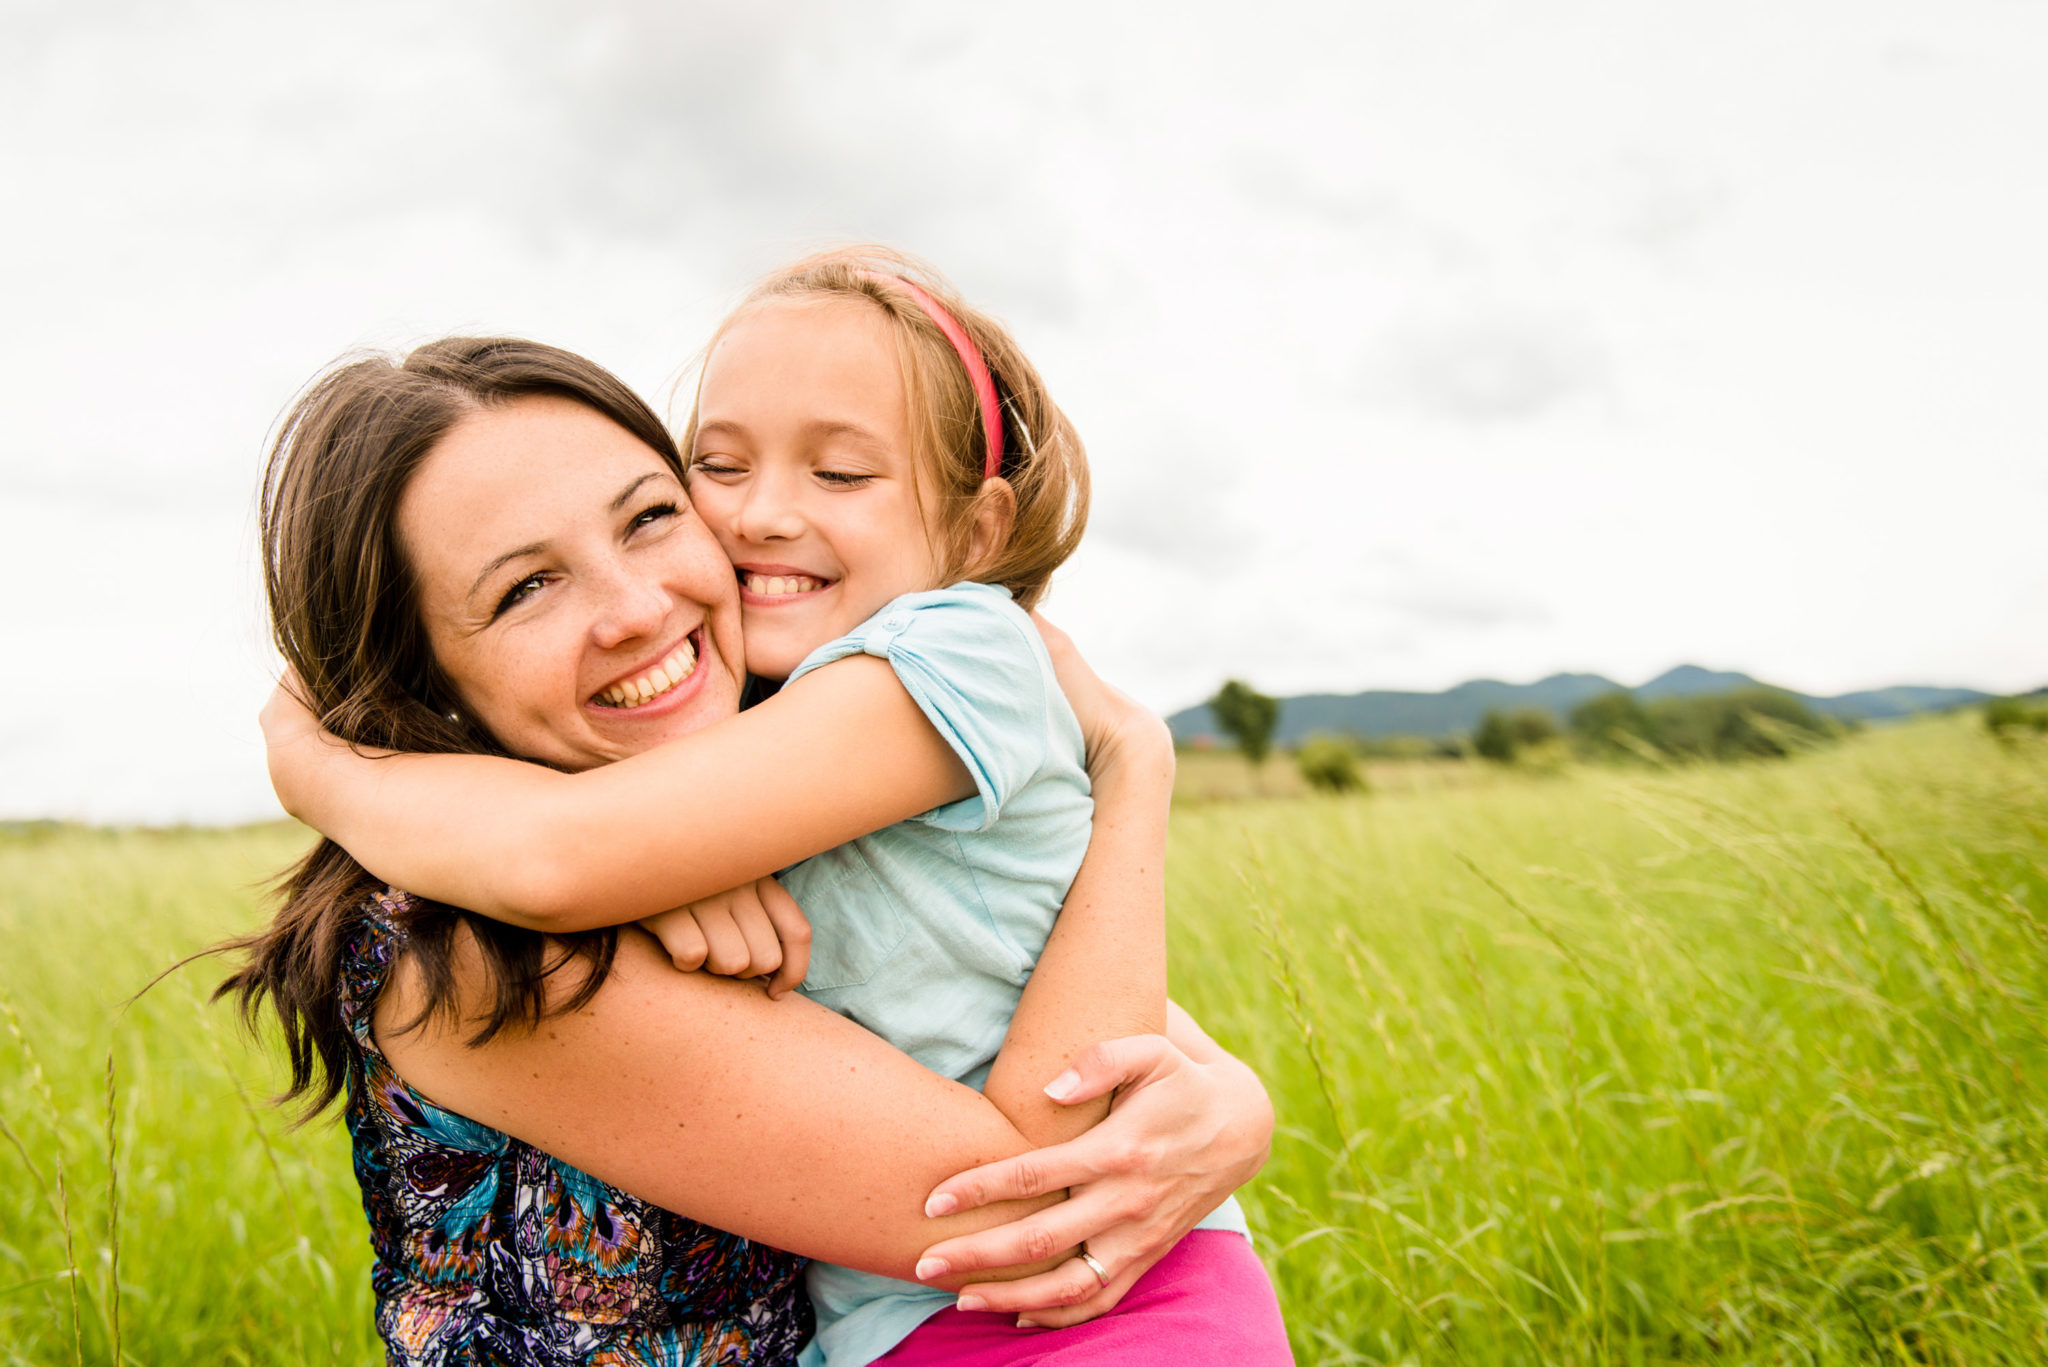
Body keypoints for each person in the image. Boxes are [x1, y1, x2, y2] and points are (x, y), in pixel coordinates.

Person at [264, 249, 1291, 1365]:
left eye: (650, 515)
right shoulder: (467, 945)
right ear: (416, 677)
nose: (640, 605)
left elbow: (1048, 1002)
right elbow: (1023, 1206)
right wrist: (313, 760)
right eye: (525, 586)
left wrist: (1231, 1103)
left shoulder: (828, 730)